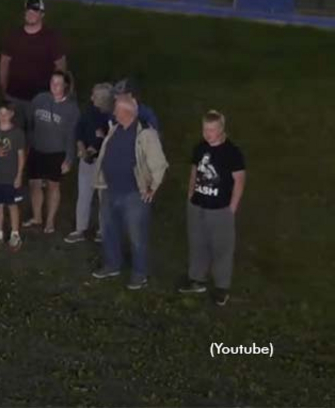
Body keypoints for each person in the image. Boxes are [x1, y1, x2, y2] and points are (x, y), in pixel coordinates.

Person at [91, 96, 168, 290]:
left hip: (133, 194)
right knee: (109, 230)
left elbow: (159, 164)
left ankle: (139, 273)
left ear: (126, 113)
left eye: (116, 109)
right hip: (110, 190)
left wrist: (153, 188)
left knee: (136, 235)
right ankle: (112, 264)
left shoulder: (146, 135)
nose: (113, 112)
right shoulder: (115, 129)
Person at [179, 110, 246, 307]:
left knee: (221, 249)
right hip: (198, 206)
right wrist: (190, 195)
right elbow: (194, 172)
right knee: (197, 244)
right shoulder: (200, 148)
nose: (207, 134)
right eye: (205, 129)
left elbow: (239, 181)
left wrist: (232, 207)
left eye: (212, 130)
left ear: (221, 129)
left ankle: (221, 287)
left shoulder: (232, 152)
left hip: (220, 209)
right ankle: (197, 279)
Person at [0, 0, 67, 134]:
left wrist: (56, 93)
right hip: (14, 96)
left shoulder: (51, 38)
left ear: (42, 14)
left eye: (35, 11)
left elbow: (60, 66)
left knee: (38, 137)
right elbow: (4, 63)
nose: (31, 14)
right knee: (13, 136)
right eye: (28, 10)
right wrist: (3, 89)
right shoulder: (14, 35)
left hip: (40, 99)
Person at [23, 70, 80, 234]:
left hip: (57, 152)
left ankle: (50, 221)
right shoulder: (40, 99)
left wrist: (69, 158)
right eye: (52, 82)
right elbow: (30, 121)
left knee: (53, 186)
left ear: (65, 86)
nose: (54, 86)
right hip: (37, 149)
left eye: (58, 83)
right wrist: (29, 143)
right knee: (34, 184)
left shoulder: (71, 108)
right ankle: (37, 217)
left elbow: (72, 135)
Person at [65, 82, 114, 244]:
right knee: (84, 195)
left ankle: (103, 230)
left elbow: (108, 138)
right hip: (87, 161)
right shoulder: (87, 113)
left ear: (103, 99)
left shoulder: (111, 117)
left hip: (103, 163)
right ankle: (80, 229)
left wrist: (94, 148)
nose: (91, 97)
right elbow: (79, 131)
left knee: (104, 197)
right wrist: (82, 149)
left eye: (95, 95)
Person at [0, 101, 26, 251]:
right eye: (0, 113)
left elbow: (21, 156)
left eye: (6, 114)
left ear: (11, 114)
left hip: (11, 176)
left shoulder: (17, 133)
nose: (3, 117)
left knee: (12, 205)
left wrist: (19, 176)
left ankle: (15, 234)